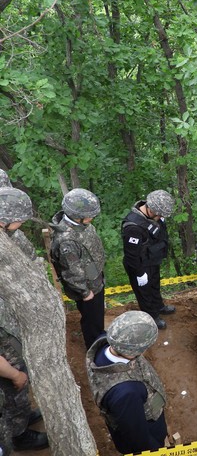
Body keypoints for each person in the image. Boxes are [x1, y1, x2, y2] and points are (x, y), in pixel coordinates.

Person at [0, 187, 49, 452]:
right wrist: (13, 373)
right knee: (12, 389)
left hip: (11, 335)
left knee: (18, 392)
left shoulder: (5, 238)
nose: (21, 226)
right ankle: (18, 436)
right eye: (18, 220)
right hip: (5, 357)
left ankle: (22, 416)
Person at [86, 311, 168, 454]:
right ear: (134, 350)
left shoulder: (105, 342)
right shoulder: (126, 392)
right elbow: (137, 438)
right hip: (148, 433)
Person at [50, 188, 106, 348]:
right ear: (77, 216)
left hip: (94, 277)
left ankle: (99, 333)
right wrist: (84, 292)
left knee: (97, 315)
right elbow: (71, 272)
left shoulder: (81, 225)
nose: (92, 218)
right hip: (86, 287)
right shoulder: (67, 240)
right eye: (89, 215)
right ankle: (95, 345)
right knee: (91, 318)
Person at [122, 190, 176, 329]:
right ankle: (151, 316)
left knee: (154, 285)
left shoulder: (154, 215)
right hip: (139, 264)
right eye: (160, 214)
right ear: (151, 209)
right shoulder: (133, 227)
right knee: (144, 292)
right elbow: (131, 255)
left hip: (151, 259)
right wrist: (139, 273)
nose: (161, 217)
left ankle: (158, 306)